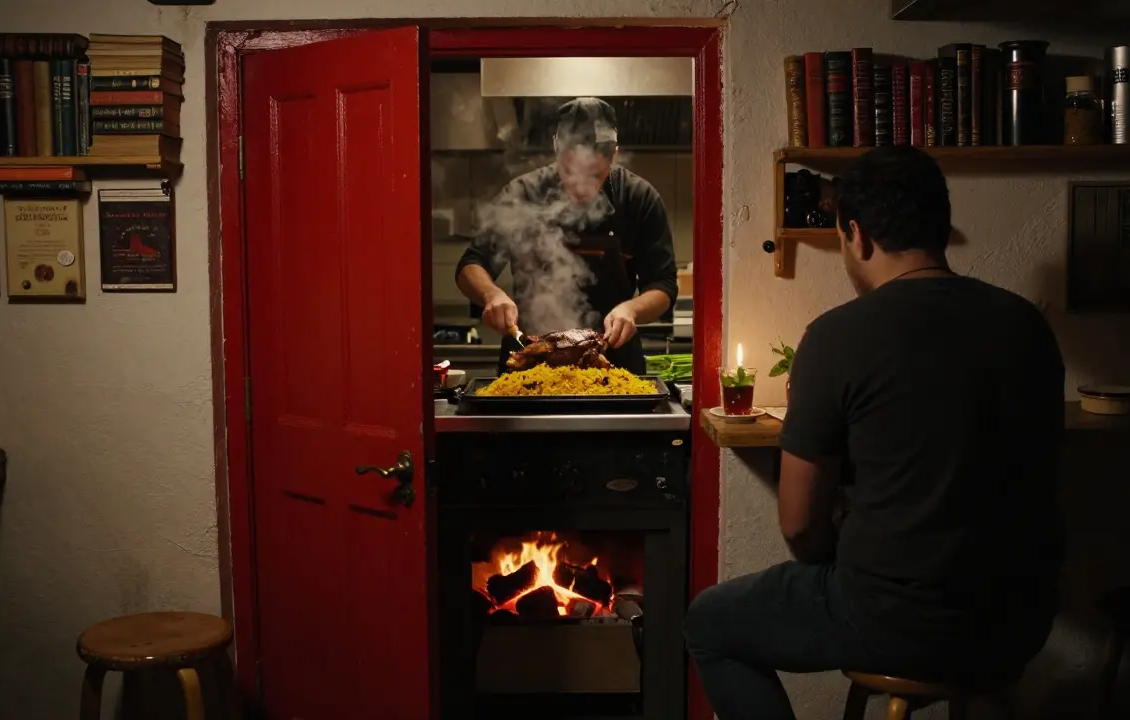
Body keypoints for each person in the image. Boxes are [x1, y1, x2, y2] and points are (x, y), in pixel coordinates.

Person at [684, 146, 1066, 719]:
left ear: (856, 235)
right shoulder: (1026, 325)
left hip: (895, 621)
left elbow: (797, 522)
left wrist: (837, 561)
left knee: (709, 621)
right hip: (1019, 620)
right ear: (939, 227)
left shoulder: (838, 337)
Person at [455, 97, 678, 375]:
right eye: (571, 171)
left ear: (615, 155)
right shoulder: (523, 193)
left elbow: (663, 285)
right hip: (530, 363)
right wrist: (492, 294)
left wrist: (631, 310)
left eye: (595, 174)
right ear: (556, 148)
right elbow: (470, 266)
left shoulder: (638, 198)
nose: (581, 184)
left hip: (614, 363)